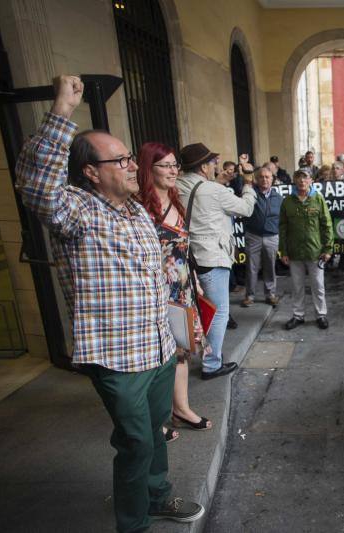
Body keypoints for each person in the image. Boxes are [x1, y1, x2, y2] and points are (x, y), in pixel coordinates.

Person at [15, 75, 203, 530]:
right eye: (118, 159)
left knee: (156, 434)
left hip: (157, 347)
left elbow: (151, 274)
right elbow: (35, 185)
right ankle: (133, 522)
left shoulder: (137, 211)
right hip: (117, 357)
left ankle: (158, 496)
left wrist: (180, 320)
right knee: (137, 440)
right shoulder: (77, 211)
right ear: (91, 172)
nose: (129, 163)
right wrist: (61, 113)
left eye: (127, 155)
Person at [136, 141, 214, 439]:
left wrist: (193, 282)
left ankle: (180, 408)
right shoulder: (138, 207)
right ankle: (156, 420)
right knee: (156, 357)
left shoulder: (175, 197)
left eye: (174, 165)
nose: (173, 170)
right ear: (148, 168)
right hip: (154, 292)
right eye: (165, 166)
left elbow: (182, 248)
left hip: (182, 287)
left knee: (182, 351)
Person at [177, 143, 257, 380]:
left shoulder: (179, 184)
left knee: (201, 311)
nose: (215, 167)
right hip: (213, 257)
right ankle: (212, 364)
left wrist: (217, 182)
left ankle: (201, 354)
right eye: (212, 163)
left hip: (189, 258)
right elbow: (246, 209)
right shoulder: (213, 190)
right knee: (219, 313)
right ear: (203, 166)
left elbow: (201, 194)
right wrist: (249, 184)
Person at [279, 169, 334, 329]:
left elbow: (327, 224)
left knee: (318, 285)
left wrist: (328, 248)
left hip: (315, 252)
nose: (302, 181)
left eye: (305, 177)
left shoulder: (318, 199)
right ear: (294, 180)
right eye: (299, 177)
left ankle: (321, 315)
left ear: (311, 181)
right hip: (295, 252)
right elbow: (282, 227)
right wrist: (283, 251)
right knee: (297, 286)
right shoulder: (288, 201)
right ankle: (298, 316)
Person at [242, 164, 283, 307]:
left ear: (272, 179)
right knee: (251, 267)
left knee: (270, 266)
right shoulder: (250, 194)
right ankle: (250, 295)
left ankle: (270, 294)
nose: (264, 179)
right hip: (253, 235)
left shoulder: (278, 198)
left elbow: (282, 219)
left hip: (272, 237)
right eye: (261, 177)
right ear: (256, 179)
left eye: (267, 177)